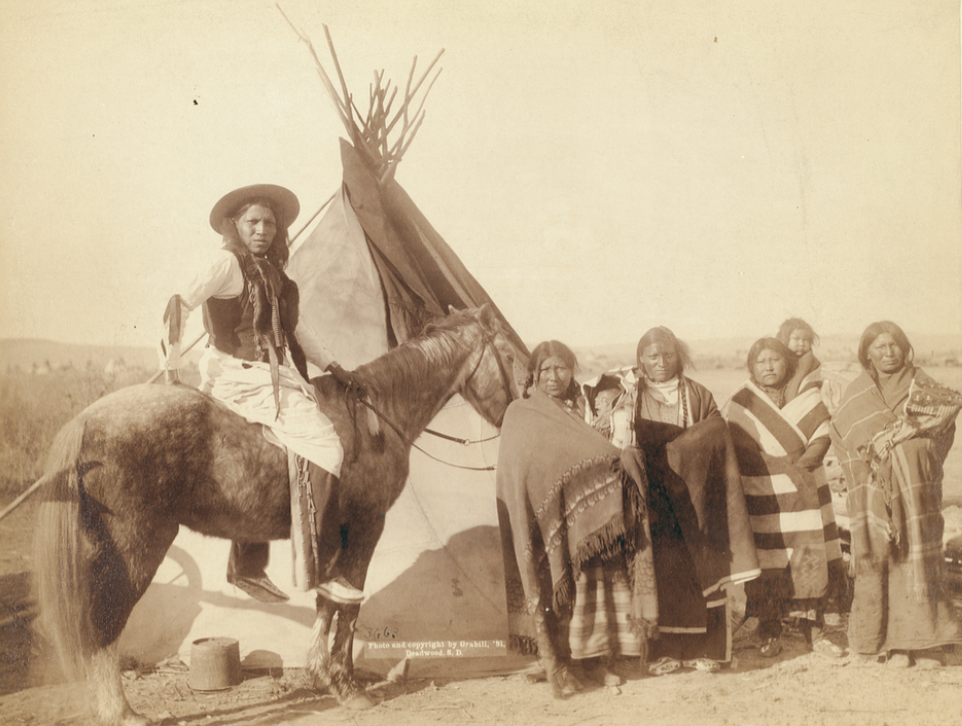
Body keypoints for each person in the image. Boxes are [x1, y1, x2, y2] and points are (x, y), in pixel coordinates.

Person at [162, 183, 363, 605]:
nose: (262, 230)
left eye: (270, 223)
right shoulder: (226, 264)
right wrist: (171, 369)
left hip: (272, 377)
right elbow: (179, 304)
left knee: (270, 457)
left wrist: (332, 367)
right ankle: (323, 570)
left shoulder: (273, 273)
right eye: (253, 221)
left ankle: (247, 567)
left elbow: (297, 329)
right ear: (235, 225)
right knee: (327, 447)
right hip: (238, 377)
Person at [583, 327, 759, 675]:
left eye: (668, 355)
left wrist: (682, 452)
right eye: (653, 356)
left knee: (702, 568)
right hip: (653, 500)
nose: (661, 362)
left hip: (696, 499)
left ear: (679, 356)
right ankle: (662, 653)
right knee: (661, 573)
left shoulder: (698, 394)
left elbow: (716, 437)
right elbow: (616, 442)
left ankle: (706, 651)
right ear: (641, 360)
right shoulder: (629, 396)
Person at [496, 341, 656, 696]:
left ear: (572, 372)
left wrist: (622, 459)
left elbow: (593, 453)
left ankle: (597, 661)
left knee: (596, 581)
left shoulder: (580, 409)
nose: (553, 377)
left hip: (584, 518)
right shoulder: (520, 413)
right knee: (556, 584)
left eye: (561, 368)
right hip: (545, 521)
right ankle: (558, 661)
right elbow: (522, 470)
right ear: (534, 374)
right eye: (546, 370)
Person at [830, 321, 962, 668]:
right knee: (880, 559)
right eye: (880, 347)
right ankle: (888, 645)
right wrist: (879, 460)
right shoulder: (857, 393)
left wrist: (906, 450)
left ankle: (925, 643)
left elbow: (943, 427)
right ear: (867, 354)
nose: (889, 352)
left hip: (916, 489)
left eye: (894, 345)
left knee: (918, 556)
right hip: (874, 493)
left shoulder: (922, 384)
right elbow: (842, 437)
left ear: (905, 349)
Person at [724, 337, 845, 658]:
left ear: (787, 363)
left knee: (809, 557)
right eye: (761, 361)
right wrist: (781, 471)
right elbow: (739, 450)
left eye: (775, 359)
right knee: (769, 565)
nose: (768, 366)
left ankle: (814, 630)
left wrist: (798, 470)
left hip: (805, 495)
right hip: (764, 498)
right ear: (751, 367)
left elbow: (822, 437)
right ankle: (769, 629)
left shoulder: (807, 395)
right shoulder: (741, 403)